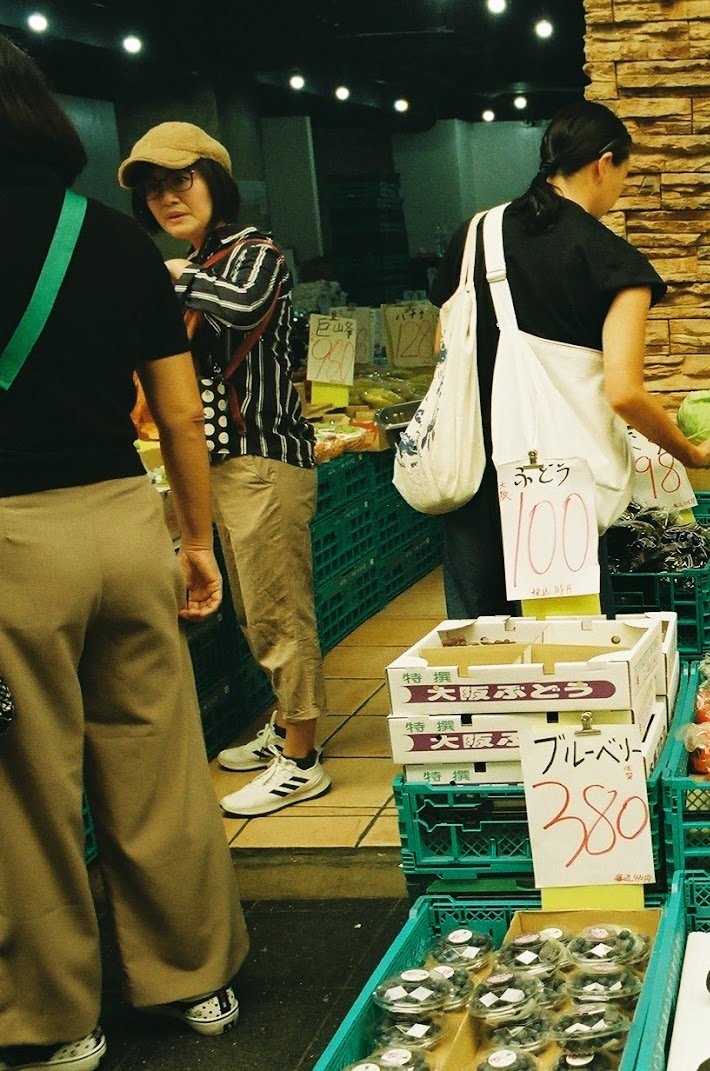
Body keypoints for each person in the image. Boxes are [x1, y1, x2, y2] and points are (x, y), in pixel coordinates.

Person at [0, 36, 248, 1069]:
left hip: (14, 542)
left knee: (26, 786)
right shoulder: (108, 239)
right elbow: (181, 418)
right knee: (157, 760)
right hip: (122, 518)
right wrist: (193, 538)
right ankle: (195, 983)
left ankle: (57, 1019)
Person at [430, 99, 710, 619]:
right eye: (625, 176)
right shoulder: (616, 262)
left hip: (471, 473)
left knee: (479, 657)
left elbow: (444, 348)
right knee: (573, 656)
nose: (620, 192)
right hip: (556, 489)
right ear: (602, 163)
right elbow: (625, 393)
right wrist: (689, 452)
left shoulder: (471, 235)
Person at [119, 122, 332, 816]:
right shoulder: (203, 258)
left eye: (181, 181)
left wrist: (178, 277)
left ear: (216, 179)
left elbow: (240, 305)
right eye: (154, 191)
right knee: (249, 608)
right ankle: (284, 721)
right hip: (220, 464)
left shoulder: (253, 252)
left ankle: (303, 756)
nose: (168, 199)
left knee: (277, 609)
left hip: (264, 459)